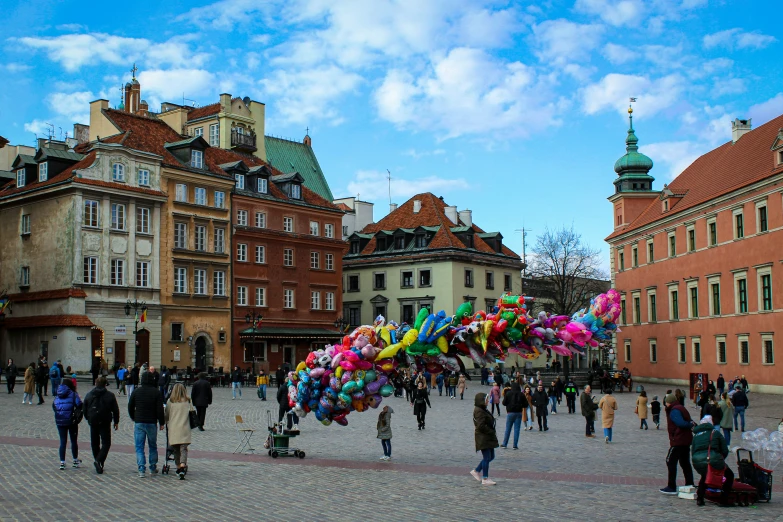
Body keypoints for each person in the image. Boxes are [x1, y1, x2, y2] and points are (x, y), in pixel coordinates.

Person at [127, 371, 165, 477]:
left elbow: (130, 406)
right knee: (152, 445)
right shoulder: (156, 392)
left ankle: (141, 468)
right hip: (152, 422)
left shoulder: (136, 391)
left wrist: (133, 417)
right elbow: (159, 409)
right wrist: (161, 422)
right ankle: (152, 467)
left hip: (139, 421)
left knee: (139, 446)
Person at [691, 415, 734, 506]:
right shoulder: (715, 432)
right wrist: (721, 460)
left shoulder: (696, 435)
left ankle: (700, 498)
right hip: (713, 459)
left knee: (705, 475)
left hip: (697, 460)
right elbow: (724, 449)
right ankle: (724, 499)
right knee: (729, 475)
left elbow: (693, 450)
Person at [660, 389, 695, 495]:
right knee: (685, 463)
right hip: (685, 440)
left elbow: (681, 423)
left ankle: (671, 486)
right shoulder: (680, 407)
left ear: (668, 402)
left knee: (670, 461)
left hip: (678, 440)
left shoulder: (674, 410)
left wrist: (690, 425)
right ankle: (689, 484)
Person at [83, 376, 120, 474]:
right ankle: (99, 461)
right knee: (106, 443)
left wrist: (88, 418)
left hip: (93, 420)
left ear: (96, 384)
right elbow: (115, 410)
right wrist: (116, 421)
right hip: (105, 420)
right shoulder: (110, 395)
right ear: (105, 384)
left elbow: (85, 408)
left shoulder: (89, 394)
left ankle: (98, 460)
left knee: (94, 442)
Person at [53, 378, 82, 470]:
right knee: (73, 441)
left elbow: (54, 406)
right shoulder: (73, 394)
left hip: (60, 421)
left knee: (62, 441)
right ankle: (75, 460)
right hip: (71, 420)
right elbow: (80, 405)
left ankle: (62, 462)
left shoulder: (57, 395)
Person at [165, 383, 193, 479]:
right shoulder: (187, 401)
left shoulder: (170, 401)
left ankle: (178, 466)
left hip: (174, 428)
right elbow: (192, 412)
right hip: (184, 427)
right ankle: (182, 465)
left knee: (176, 449)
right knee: (183, 448)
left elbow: (167, 415)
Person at [470, 392, 499, 486]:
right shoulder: (479, 411)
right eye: (486, 399)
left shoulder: (483, 409)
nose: (488, 401)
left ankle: (477, 470)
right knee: (486, 457)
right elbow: (480, 426)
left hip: (487, 437)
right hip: (483, 437)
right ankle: (485, 478)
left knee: (491, 456)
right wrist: (490, 431)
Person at [500, 383, 526, 449]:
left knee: (508, 429)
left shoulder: (508, 393)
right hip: (519, 413)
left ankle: (504, 444)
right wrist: (520, 405)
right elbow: (526, 404)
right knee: (517, 429)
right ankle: (515, 445)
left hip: (510, 412)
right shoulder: (521, 394)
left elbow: (504, 403)